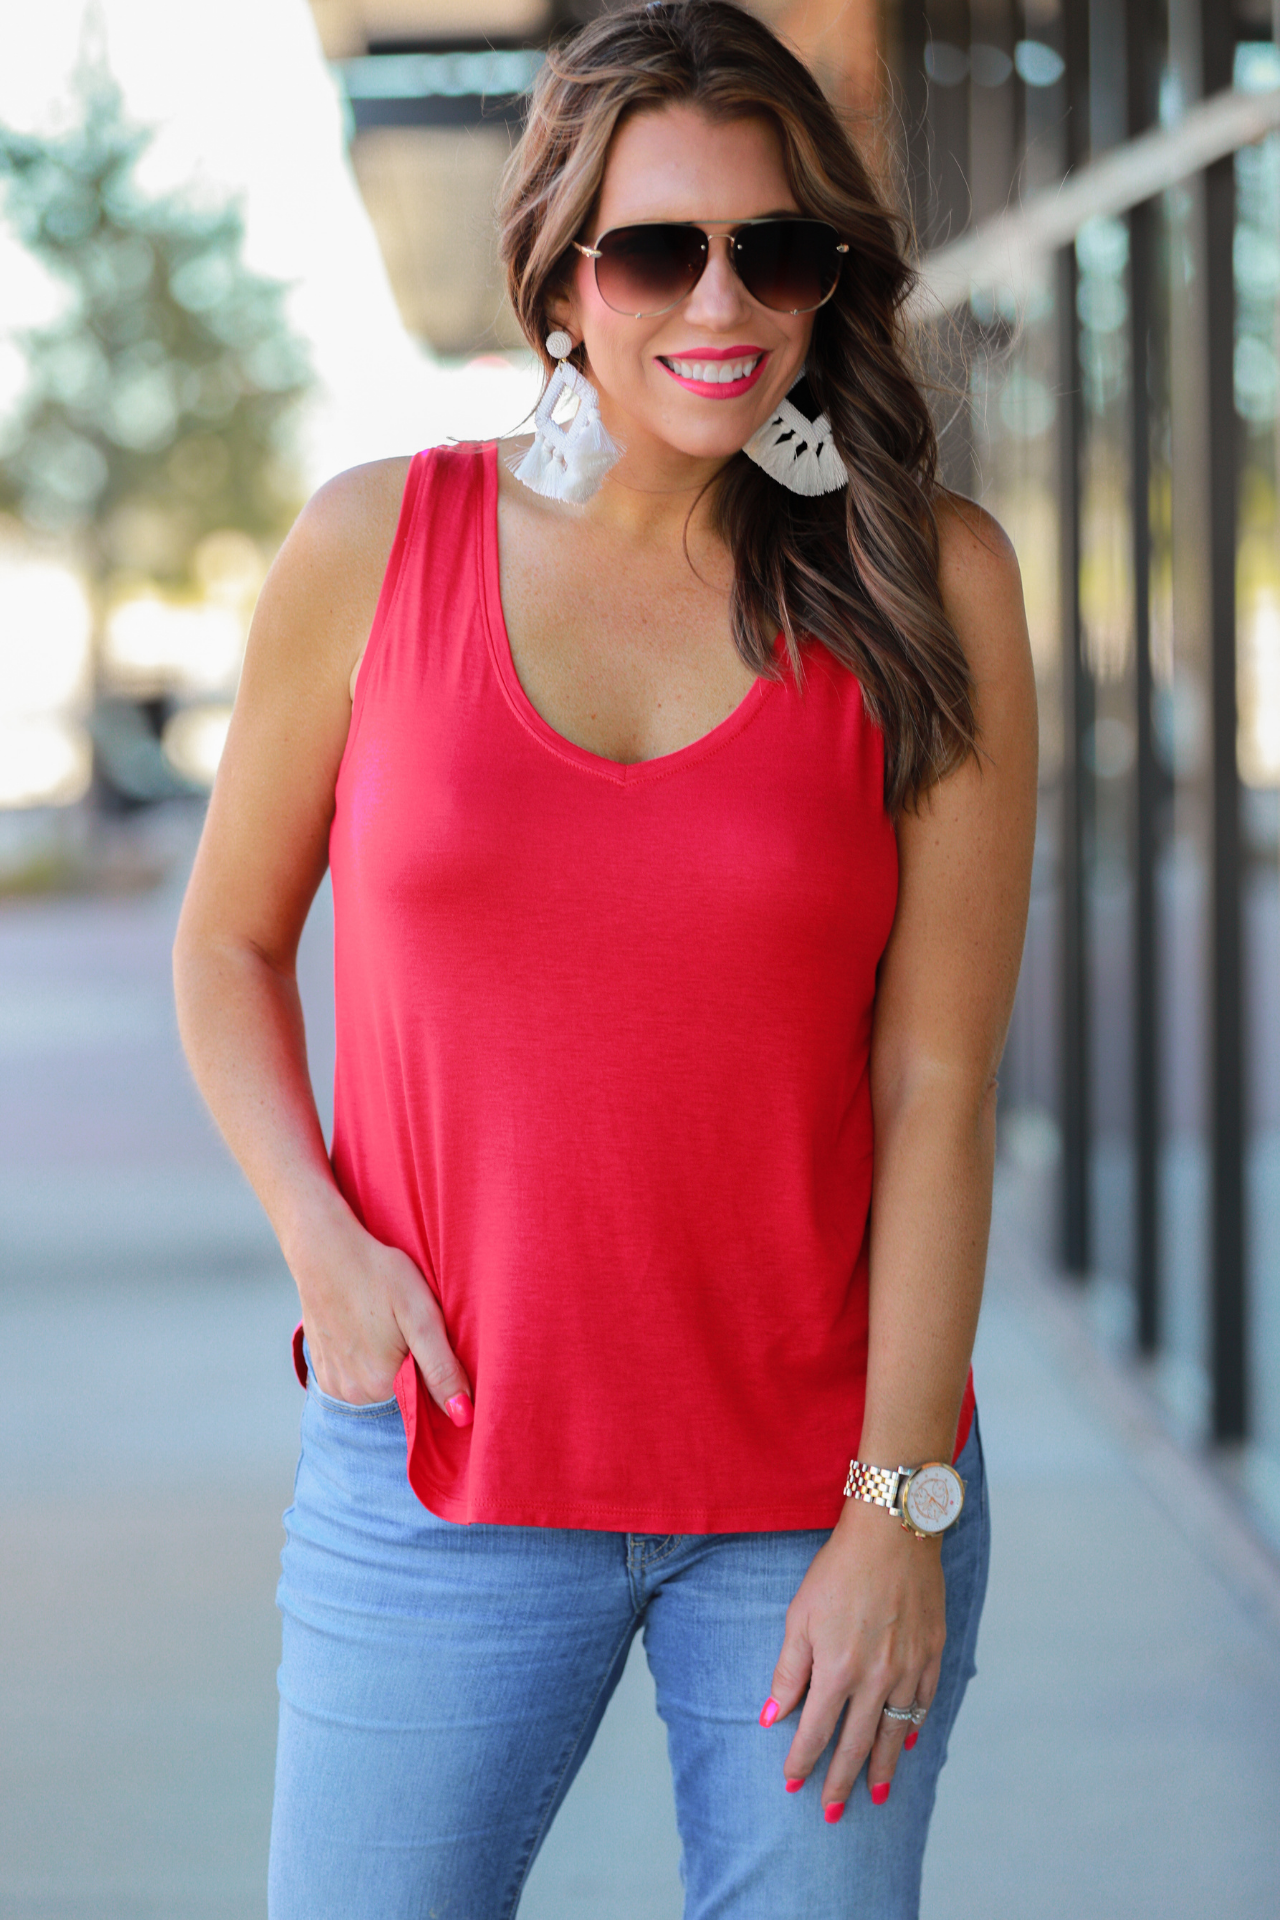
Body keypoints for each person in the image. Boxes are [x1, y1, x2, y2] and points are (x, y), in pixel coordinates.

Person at [173, 3, 1036, 1914]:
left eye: (777, 248)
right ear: (564, 273)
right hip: (438, 1479)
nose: (718, 299)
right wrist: (323, 1243)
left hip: (820, 1496)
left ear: (829, 282)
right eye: (659, 249)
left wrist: (901, 1505)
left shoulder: (931, 578)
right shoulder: (372, 547)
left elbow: (940, 1081)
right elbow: (229, 943)